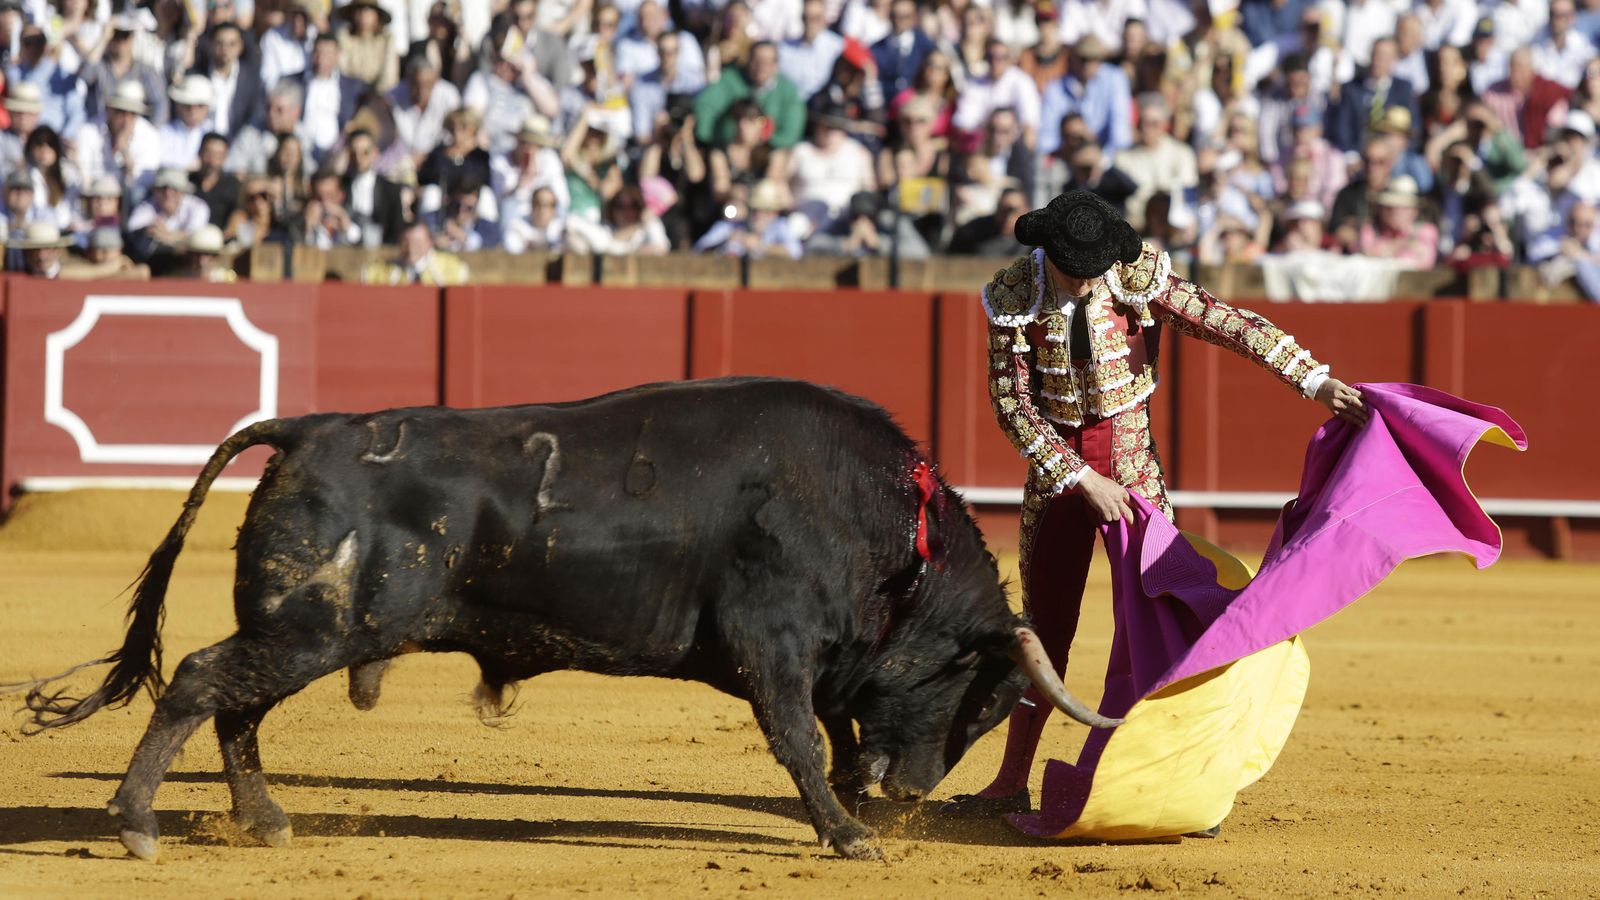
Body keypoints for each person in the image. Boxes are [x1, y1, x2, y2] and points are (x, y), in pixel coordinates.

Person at [941, 190, 1367, 820]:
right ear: (1047, 252)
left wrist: (1313, 378)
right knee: (1044, 630)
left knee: (1159, 623)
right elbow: (1013, 408)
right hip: (1062, 478)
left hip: (1134, 469)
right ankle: (1009, 782)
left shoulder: (1136, 274)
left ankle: (1175, 787)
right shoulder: (1012, 295)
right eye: (1070, 268)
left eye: (1091, 268)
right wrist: (1082, 479)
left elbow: (1225, 322)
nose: (1084, 280)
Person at [362, 220, 472, 283]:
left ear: (429, 243)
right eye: (406, 241)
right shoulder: (380, 271)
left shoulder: (451, 268)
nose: (411, 248)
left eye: (417, 242)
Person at [4, 220, 73, 277]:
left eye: (47, 248)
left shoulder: (74, 276)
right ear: (27, 252)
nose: (41, 256)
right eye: (35, 249)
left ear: (58, 251)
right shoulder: (17, 276)